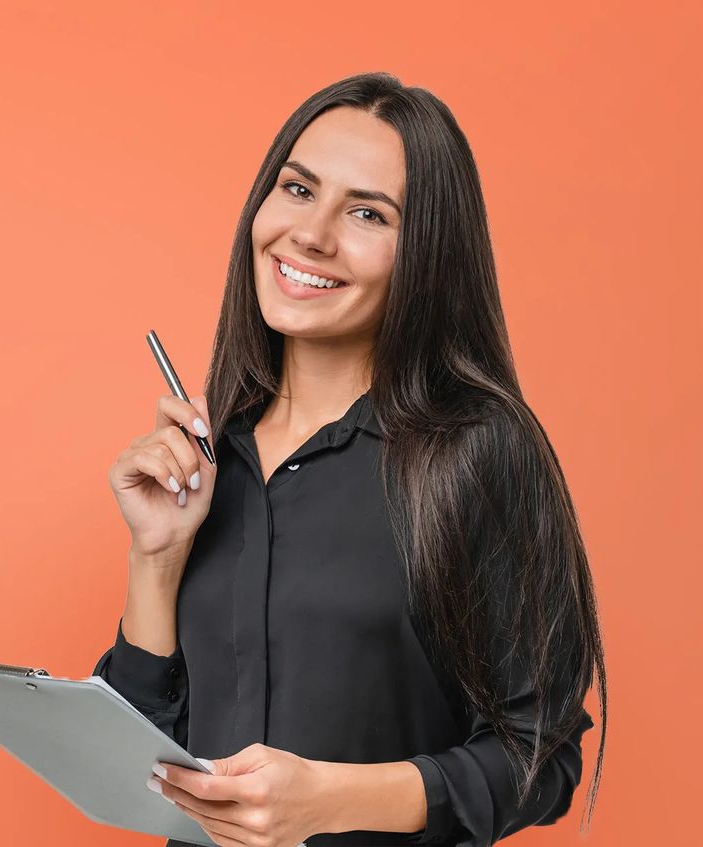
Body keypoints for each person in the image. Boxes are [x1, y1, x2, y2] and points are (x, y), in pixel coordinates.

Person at [94, 72, 607, 847]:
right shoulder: (212, 459)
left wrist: (334, 797)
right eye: (297, 190)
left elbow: (539, 757)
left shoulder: (477, 451)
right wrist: (155, 556)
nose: (311, 234)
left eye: (366, 212)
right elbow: (135, 748)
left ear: (424, 254)